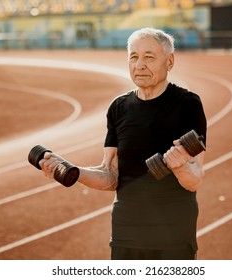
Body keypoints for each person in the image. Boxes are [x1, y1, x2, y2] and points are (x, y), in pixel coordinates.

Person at [39, 27, 207, 260]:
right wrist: (73, 171)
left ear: (169, 61)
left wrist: (179, 167)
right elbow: (110, 176)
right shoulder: (119, 108)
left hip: (172, 233)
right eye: (134, 57)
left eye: (149, 57)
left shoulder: (187, 104)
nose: (139, 65)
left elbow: (195, 179)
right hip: (126, 232)